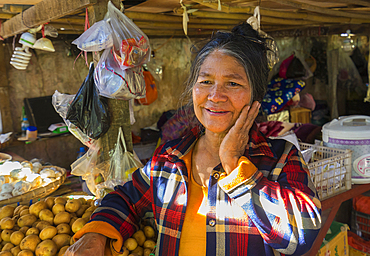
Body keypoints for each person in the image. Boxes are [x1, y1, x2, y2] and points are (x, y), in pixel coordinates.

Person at [66, 22, 321, 256]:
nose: (215, 95)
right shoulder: (170, 158)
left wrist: (234, 165)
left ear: (256, 95)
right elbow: (126, 198)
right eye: (206, 81)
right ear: (193, 89)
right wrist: (96, 235)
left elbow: (302, 236)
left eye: (232, 83)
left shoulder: (279, 158)